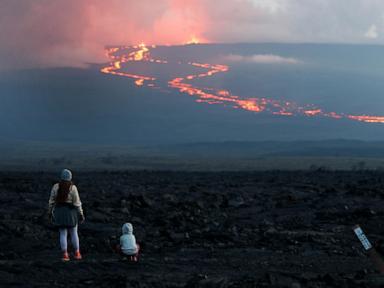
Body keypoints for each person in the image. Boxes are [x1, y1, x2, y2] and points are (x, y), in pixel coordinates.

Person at [48, 169, 85, 261]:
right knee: (74, 233)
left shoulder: (56, 187)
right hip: (71, 212)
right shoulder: (73, 188)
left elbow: (51, 202)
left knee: (63, 233)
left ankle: (65, 254)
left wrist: (50, 212)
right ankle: (77, 253)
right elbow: (77, 203)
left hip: (59, 212)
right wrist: (81, 213)